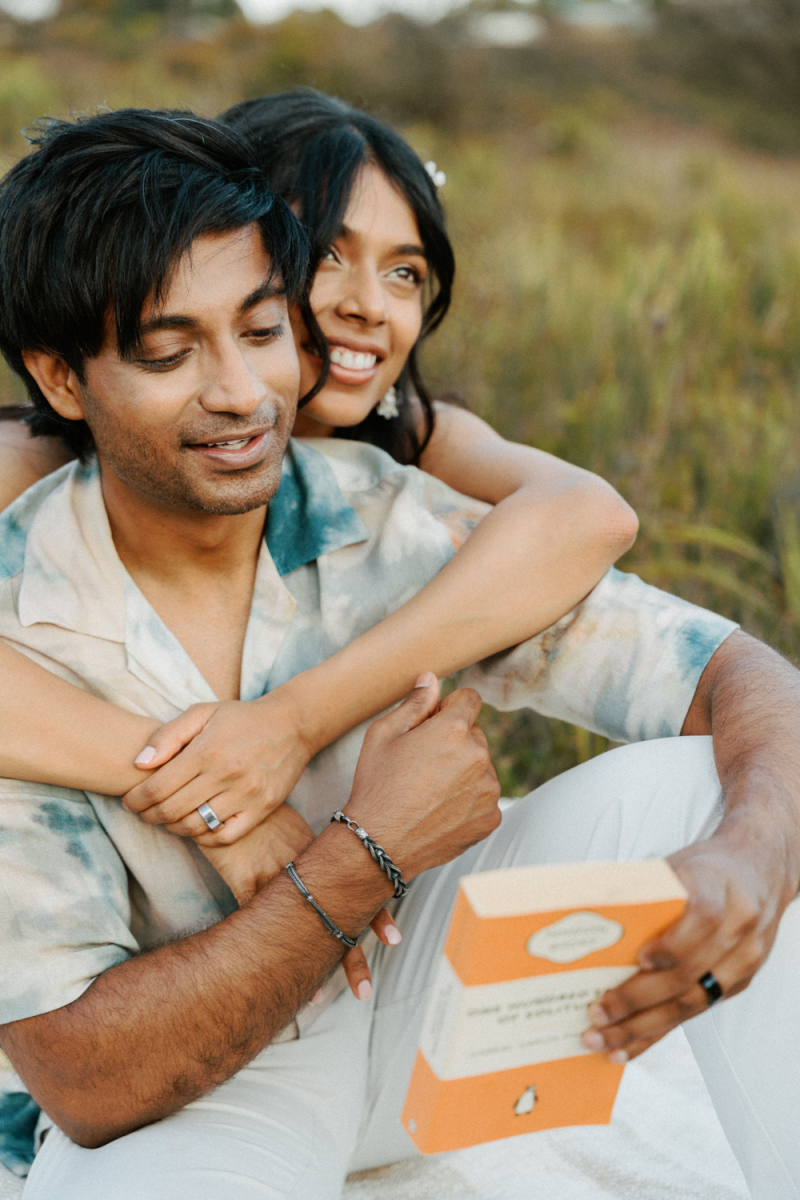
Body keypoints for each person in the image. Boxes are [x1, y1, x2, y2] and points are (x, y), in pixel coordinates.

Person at [1, 107, 800, 1200]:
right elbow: (86, 1078)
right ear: (59, 381)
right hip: (205, 1067)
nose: (239, 393)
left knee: (729, 785)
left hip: (421, 988)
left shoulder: (386, 508)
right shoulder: (21, 598)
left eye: (260, 329)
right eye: (166, 352)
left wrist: (753, 856)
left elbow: (733, 670)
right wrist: (361, 849)